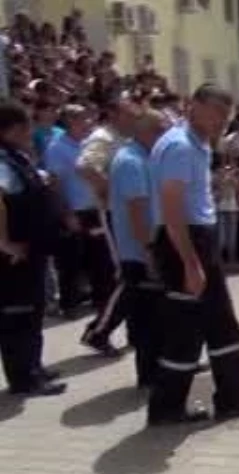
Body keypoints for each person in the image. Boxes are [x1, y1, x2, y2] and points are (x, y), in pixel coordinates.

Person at [146, 83, 239, 426]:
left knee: (222, 325)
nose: (221, 121)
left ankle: (231, 396)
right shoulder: (179, 146)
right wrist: (190, 263)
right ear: (194, 106)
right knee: (185, 330)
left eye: (226, 115)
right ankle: (165, 406)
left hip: (200, 237)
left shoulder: (198, 145)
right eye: (216, 112)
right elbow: (172, 210)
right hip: (185, 242)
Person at [0, 99, 65, 397]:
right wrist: (5, 243)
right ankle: (23, 378)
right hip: (15, 255)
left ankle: (33, 367)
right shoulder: (2, 160)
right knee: (18, 314)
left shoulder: (18, 157)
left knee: (33, 310)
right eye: (26, 126)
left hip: (33, 249)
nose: (31, 131)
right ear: (12, 129)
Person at [107, 108, 170, 388]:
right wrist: (149, 253)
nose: (165, 134)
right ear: (145, 131)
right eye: (161, 129)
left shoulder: (146, 157)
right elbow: (137, 210)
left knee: (156, 317)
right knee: (147, 320)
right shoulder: (130, 161)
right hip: (140, 253)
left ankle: (159, 369)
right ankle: (151, 376)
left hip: (148, 249)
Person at [77, 93, 141, 356]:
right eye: (129, 113)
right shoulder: (102, 137)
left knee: (138, 273)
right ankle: (98, 331)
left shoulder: (125, 139)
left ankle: (138, 332)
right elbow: (85, 167)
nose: (134, 118)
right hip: (116, 214)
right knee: (127, 275)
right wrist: (113, 192)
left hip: (130, 212)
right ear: (113, 114)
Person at [45, 104, 110, 320]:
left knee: (100, 258)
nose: (89, 122)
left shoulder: (88, 144)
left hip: (94, 209)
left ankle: (103, 302)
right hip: (74, 211)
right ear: (71, 121)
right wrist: (66, 214)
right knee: (71, 261)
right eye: (84, 119)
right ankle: (70, 304)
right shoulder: (57, 148)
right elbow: (55, 184)